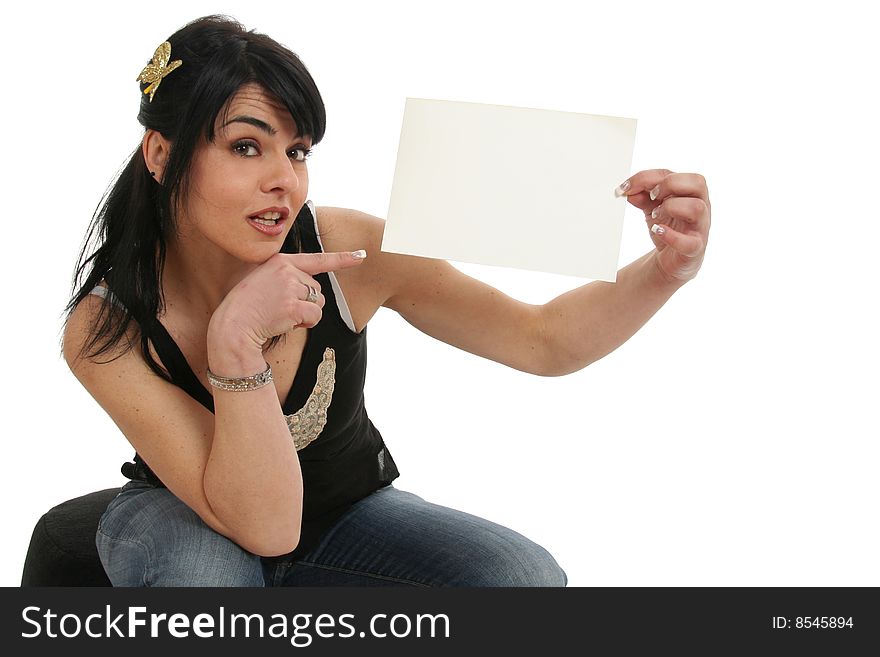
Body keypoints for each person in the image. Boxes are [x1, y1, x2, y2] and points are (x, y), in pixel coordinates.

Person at [63, 15, 711, 587]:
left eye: (297, 151)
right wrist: (234, 338)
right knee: (207, 585)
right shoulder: (108, 325)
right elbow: (264, 527)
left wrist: (664, 269)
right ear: (161, 153)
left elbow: (541, 339)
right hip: (186, 516)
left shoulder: (348, 251)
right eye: (245, 146)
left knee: (524, 578)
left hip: (346, 515)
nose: (282, 180)